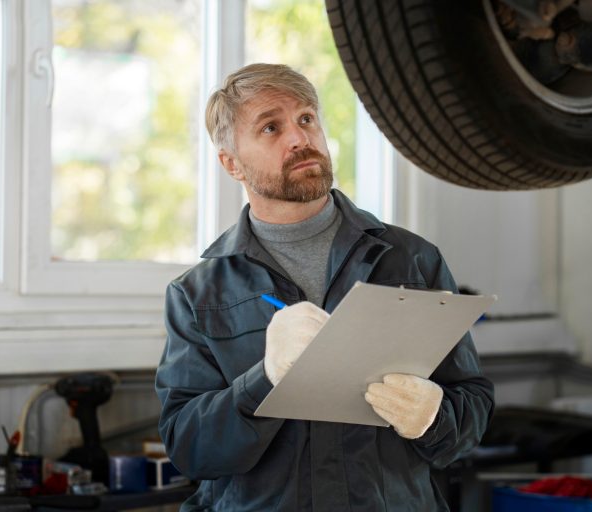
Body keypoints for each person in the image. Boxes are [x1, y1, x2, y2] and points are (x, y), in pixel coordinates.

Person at [155, 63, 494, 511]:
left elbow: (470, 409)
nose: (299, 138)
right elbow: (190, 450)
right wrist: (264, 381)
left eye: (306, 118)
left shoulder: (412, 260)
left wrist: (434, 417)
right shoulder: (198, 294)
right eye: (271, 127)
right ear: (231, 163)